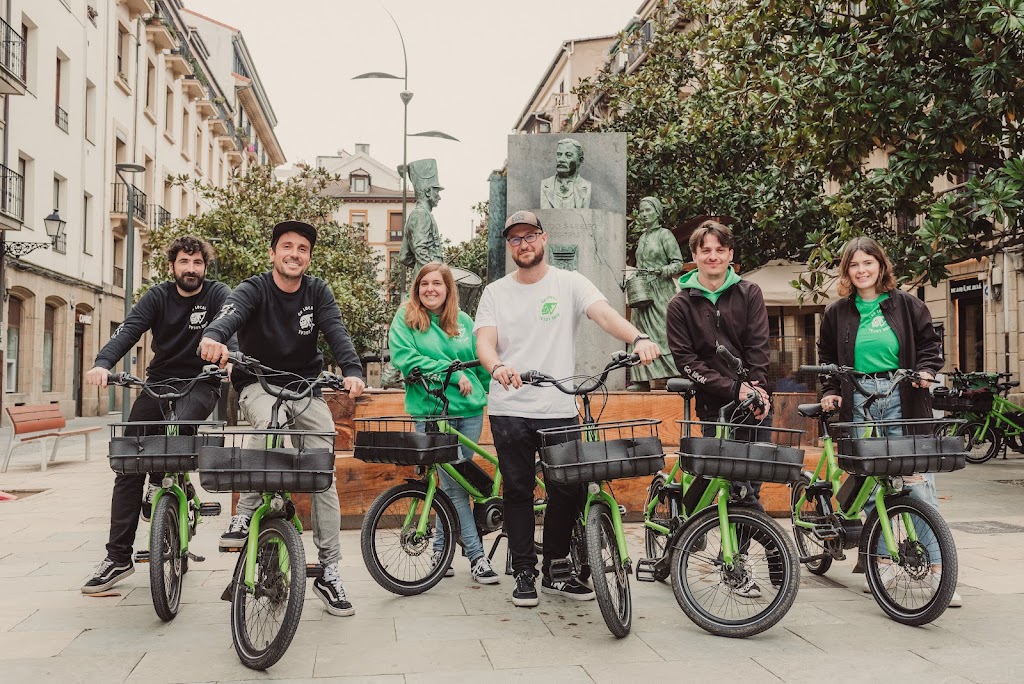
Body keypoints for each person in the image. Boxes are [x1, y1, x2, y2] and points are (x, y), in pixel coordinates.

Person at [474, 210, 661, 607]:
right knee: (519, 491)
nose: (522, 244)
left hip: (558, 406)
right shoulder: (496, 292)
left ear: (543, 239)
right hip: (509, 407)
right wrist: (498, 366)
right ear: (510, 247)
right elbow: (485, 344)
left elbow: (606, 315)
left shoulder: (569, 283)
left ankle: (556, 565)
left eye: (529, 236)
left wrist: (638, 337)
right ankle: (524, 572)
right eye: (514, 239)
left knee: (568, 488)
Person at [198, 220, 366, 617]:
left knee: (321, 469)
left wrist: (353, 369)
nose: (295, 253)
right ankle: (243, 517)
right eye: (287, 246)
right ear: (273, 253)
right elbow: (231, 313)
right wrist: (216, 336)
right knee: (267, 426)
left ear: (308, 257)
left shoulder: (317, 291)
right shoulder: (254, 288)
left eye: (303, 248)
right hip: (257, 382)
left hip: (305, 386)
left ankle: (330, 570)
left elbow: (336, 331)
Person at [82, 236, 232, 594]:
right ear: (172, 266)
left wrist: (228, 358)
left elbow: (229, 325)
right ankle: (118, 558)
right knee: (128, 459)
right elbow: (128, 330)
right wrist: (103, 363)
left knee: (176, 429)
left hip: (201, 382)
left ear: (205, 268)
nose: (191, 269)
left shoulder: (217, 294)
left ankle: (162, 479)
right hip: (159, 382)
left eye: (197, 263)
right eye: (184, 262)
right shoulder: (157, 297)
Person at [817, 236, 960, 606]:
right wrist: (831, 389)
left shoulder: (907, 305)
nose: (862, 270)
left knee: (916, 480)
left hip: (902, 394)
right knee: (867, 480)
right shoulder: (837, 312)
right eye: (854, 265)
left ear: (881, 265)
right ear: (846, 270)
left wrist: (926, 371)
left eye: (868, 262)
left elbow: (930, 345)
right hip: (858, 397)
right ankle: (878, 563)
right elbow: (829, 356)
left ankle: (938, 571)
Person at [388, 263, 499, 584]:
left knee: (454, 484)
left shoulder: (463, 322)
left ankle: (441, 550)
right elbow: (406, 358)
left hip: (468, 411)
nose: (431, 289)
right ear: (417, 288)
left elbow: (480, 362)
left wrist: (490, 388)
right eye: (424, 284)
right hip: (428, 410)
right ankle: (477, 556)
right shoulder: (406, 318)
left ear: (449, 289)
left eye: (437, 283)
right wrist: (452, 371)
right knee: (449, 483)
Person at [665, 220, 772, 517]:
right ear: (695, 256)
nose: (713, 256)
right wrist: (734, 389)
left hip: (755, 402)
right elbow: (686, 361)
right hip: (716, 405)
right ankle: (777, 555)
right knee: (737, 485)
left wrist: (757, 388)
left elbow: (759, 346)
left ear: (730, 255)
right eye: (706, 250)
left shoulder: (750, 293)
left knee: (751, 484)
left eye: (720, 250)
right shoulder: (679, 304)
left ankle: (739, 555)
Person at [626, 196, 684, 391]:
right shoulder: (642, 237)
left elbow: (678, 263)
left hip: (661, 291)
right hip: (643, 291)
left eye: (648, 210)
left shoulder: (665, 235)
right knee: (640, 331)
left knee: (664, 331)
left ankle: (675, 375)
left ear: (658, 212)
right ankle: (641, 379)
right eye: (641, 211)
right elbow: (640, 265)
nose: (644, 214)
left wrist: (661, 271)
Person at [398, 158, 445, 278]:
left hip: (423, 280)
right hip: (429, 282)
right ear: (428, 192)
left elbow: (404, 256)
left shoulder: (419, 214)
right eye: (437, 192)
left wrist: (419, 268)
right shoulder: (421, 215)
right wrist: (434, 274)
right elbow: (420, 249)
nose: (439, 197)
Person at [539, 139, 592, 209]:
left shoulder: (586, 186)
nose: (561, 159)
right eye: (559, 155)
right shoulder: (545, 185)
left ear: (580, 160)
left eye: (568, 155)